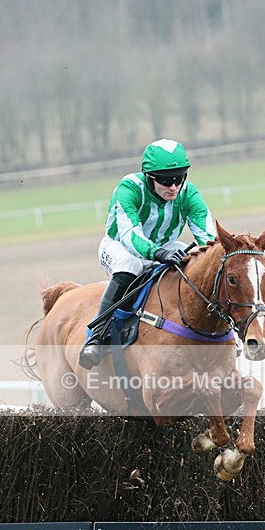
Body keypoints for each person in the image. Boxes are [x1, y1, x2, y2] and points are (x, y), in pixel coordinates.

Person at [79, 138, 216, 368]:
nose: (173, 187)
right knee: (130, 267)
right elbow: (130, 235)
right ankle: (95, 335)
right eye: (164, 180)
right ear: (148, 177)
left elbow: (209, 237)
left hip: (165, 244)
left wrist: (215, 255)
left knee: (195, 261)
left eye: (179, 178)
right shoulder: (129, 188)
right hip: (120, 246)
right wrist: (158, 253)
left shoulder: (189, 194)